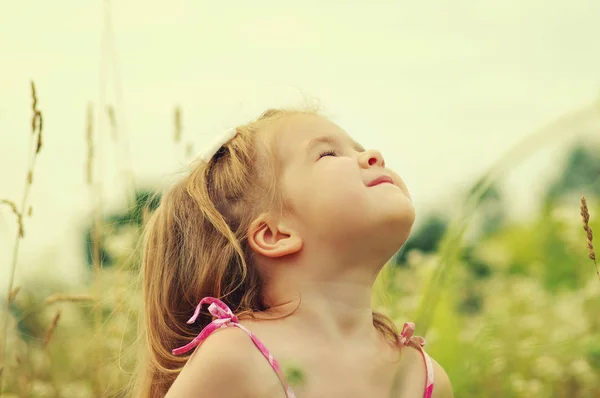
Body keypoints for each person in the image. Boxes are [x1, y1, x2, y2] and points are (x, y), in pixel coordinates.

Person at [134, 107, 454, 397]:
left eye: (358, 147)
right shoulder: (237, 356)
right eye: (328, 154)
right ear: (275, 235)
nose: (373, 155)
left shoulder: (424, 376)